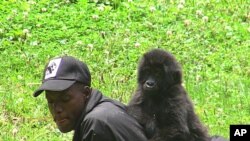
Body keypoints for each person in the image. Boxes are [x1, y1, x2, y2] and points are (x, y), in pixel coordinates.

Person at [33, 56, 147, 141]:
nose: (57, 109)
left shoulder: (97, 123)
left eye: (65, 99)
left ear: (86, 93)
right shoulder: (104, 111)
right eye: (51, 101)